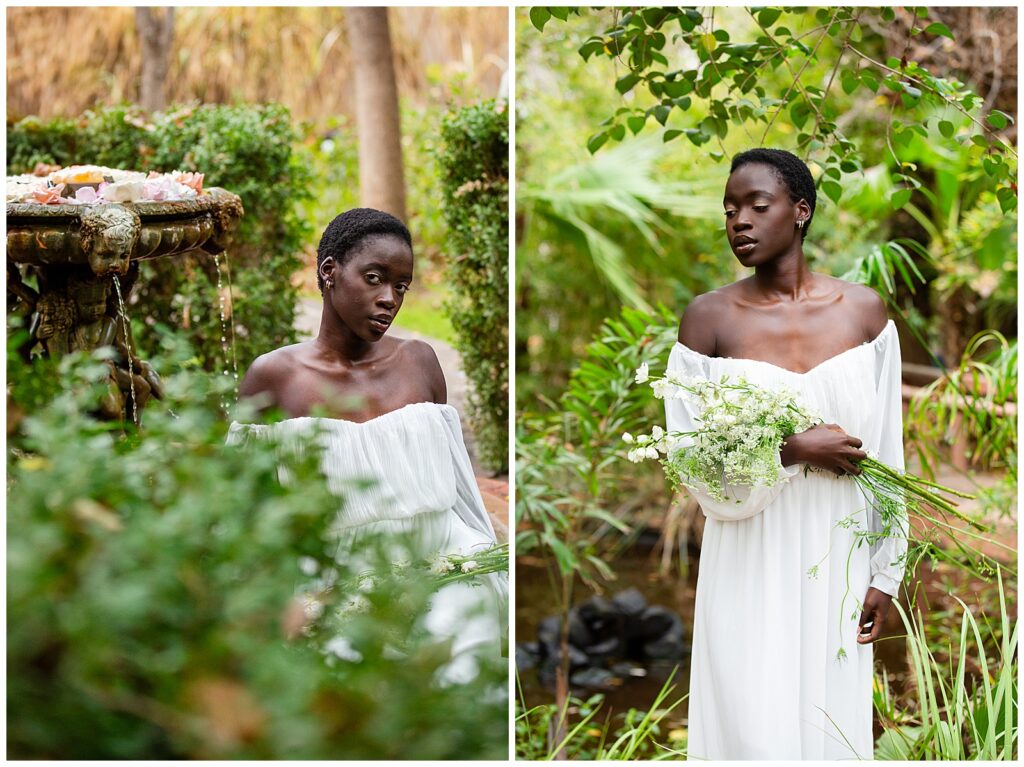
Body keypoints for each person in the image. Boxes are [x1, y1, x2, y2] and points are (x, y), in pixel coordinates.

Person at [666, 149, 906, 759]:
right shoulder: (708, 320)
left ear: (800, 211)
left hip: (838, 552)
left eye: (756, 205)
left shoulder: (865, 314)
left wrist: (886, 573)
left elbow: (888, 455)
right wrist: (792, 449)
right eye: (729, 209)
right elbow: (696, 462)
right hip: (749, 551)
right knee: (751, 716)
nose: (738, 220)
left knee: (828, 722)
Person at [229, 208, 507, 684]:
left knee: (462, 677)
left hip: (448, 557)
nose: (389, 299)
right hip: (338, 581)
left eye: (401, 286)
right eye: (375, 278)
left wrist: (489, 551)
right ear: (330, 271)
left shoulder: (419, 362)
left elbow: (459, 481)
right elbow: (241, 504)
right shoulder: (275, 377)